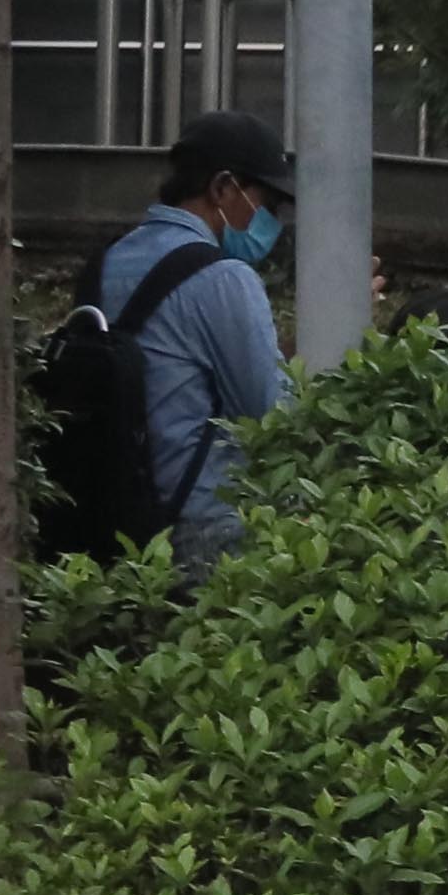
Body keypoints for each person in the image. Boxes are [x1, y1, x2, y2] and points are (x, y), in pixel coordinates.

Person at [88, 105, 294, 572]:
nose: (272, 222)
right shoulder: (225, 279)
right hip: (199, 536)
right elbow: (273, 422)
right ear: (222, 187)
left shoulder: (106, 261)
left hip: (111, 524)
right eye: (267, 204)